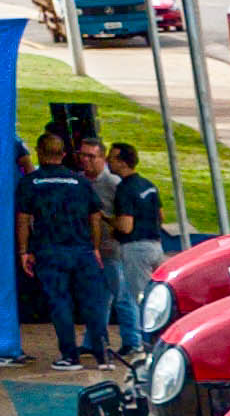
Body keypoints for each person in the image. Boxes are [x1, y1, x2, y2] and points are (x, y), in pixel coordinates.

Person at [19, 133, 109, 369]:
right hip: (82, 250)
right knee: (92, 303)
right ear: (65, 154)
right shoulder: (80, 182)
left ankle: (70, 356)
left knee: (60, 303)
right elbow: (95, 216)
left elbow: (23, 219)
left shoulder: (31, 182)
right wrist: (95, 247)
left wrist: (23, 251)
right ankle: (103, 355)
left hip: (49, 251)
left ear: (39, 151)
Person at [100, 139, 164, 350]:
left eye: (111, 158)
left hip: (135, 248)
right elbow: (160, 215)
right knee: (157, 295)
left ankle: (147, 344)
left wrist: (108, 220)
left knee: (141, 300)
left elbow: (126, 226)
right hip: (156, 246)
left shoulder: (124, 189)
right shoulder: (149, 185)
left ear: (122, 162)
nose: (108, 162)